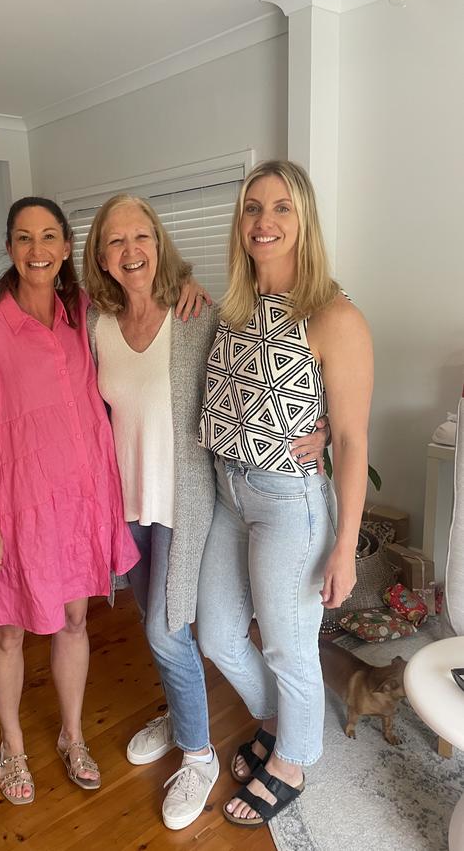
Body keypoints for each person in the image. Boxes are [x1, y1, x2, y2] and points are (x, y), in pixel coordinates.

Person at [82, 193, 329, 830]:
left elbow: (266, 373)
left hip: (188, 503)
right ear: (101, 256)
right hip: (128, 502)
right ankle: (180, 710)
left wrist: (323, 431)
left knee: (168, 631)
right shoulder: (97, 326)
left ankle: (199, 757)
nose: (131, 251)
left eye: (141, 236)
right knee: (159, 625)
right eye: (115, 241)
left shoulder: (198, 313)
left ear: (159, 242)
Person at [0, 197, 140, 804]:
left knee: (75, 620)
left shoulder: (84, 314)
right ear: (9, 247)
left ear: (64, 247)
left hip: (78, 504)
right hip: (12, 507)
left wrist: (188, 290)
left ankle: (72, 735)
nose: (37, 250)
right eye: (25, 238)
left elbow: (144, 285)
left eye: (49, 236)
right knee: (7, 633)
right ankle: (12, 745)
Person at [196, 160, 373, 827]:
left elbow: (352, 439)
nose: (264, 222)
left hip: (286, 503)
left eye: (280, 209)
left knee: (287, 643)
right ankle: (276, 718)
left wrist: (346, 546)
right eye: (252, 208)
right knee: (216, 631)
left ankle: (293, 759)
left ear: (304, 221)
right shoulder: (233, 310)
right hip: (228, 495)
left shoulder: (334, 314)